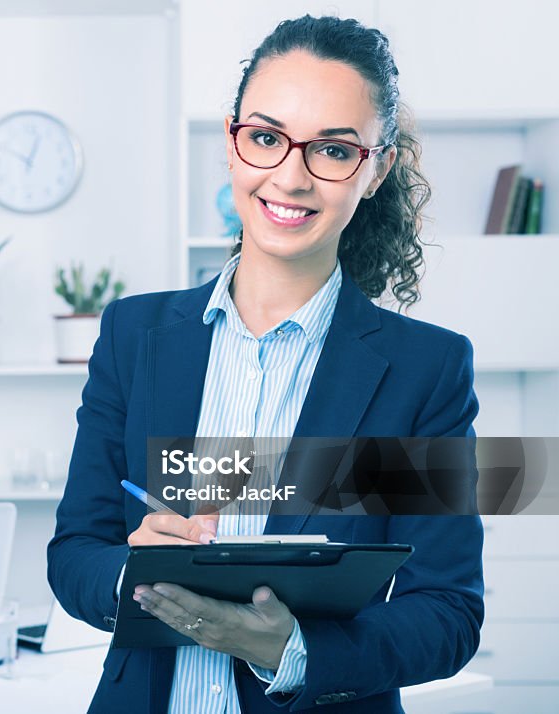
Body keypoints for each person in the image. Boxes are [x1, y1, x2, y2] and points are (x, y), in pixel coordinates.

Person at [48, 15, 483, 714]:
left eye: (335, 151)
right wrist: (134, 569)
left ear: (376, 170)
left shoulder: (423, 372)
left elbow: (448, 613)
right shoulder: (135, 335)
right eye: (265, 137)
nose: (290, 177)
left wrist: (288, 650)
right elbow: (74, 552)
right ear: (231, 143)